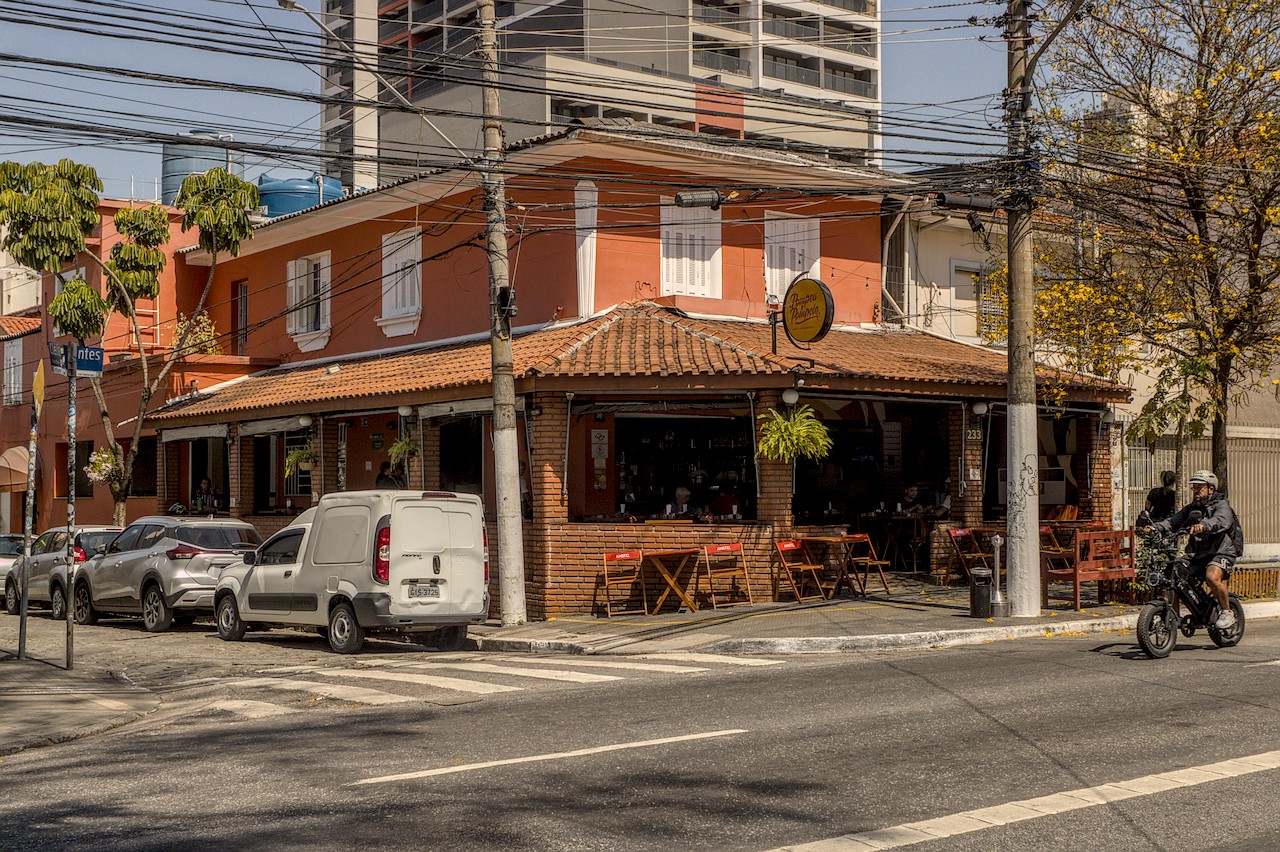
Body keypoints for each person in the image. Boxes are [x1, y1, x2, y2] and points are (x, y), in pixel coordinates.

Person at [1146, 470, 1241, 629]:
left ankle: (1226, 612)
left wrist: (1204, 525)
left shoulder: (1222, 505)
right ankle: (1173, 618)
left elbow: (1221, 520)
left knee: (1211, 576)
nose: (1196, 491)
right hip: (1198, 554)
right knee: (1172, 572)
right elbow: (1172, 522)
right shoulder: (1192, 508)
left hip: (1221, 551)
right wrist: (1155, 527)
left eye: (1199, 487)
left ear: (1211, 489)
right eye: (1194, 487)